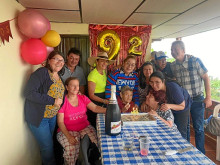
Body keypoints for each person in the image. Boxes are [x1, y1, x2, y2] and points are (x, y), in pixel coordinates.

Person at [170, 40, 212, 154]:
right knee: (185, 127)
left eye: (176, 50)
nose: (173, 52)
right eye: (172, 50)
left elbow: (206, 78)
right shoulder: (173, 66)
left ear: (183, 50)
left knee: (198, 128)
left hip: (198, 99)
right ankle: (187, 151)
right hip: (184, 101)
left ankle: (201, 153)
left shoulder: (195, 61)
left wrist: (208, 97)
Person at [24, 51, 65, 165]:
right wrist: (52, 100)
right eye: (56, 59)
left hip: (52, 117)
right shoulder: (42, 72)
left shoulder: (58, 76)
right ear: (49, 60)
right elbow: (29, 93)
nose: (59, 62)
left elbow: (60, 95)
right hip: (40, 117)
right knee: (47, 147)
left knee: (48, 146)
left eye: (61, 60)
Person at [57, 77, 106, 164]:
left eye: (77, 86)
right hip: (68, 130)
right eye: (73, 86)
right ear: (67, 87)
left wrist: (109, 110)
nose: (76, 88)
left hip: (84, 126)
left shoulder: (82, 97)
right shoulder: (63, 101)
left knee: (96, 143)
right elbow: (60, 122)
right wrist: (68, 136)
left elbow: (94, 108)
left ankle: (91, 160)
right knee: (71, 149)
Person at [147, 71, 192, 141]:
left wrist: (169, 106)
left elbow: (182, 106)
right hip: (170, 106)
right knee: (172, 124)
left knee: (181, 130)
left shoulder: (173, 88)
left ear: (163, 81)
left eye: (157, 82)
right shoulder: (156, 89)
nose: (154, 85)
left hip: (182, 107)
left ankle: (184, 148)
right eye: (151, 82)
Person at [87, 51, 115, 128]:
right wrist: (104, 101)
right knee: (96, 125)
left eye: (106, 61)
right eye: (102, 61)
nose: (104, 63)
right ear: (97, 61)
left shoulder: (103, 72)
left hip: (103, 100)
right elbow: (91, 95)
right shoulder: (92, 75)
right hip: (96, 102)